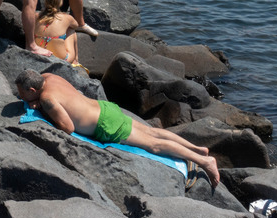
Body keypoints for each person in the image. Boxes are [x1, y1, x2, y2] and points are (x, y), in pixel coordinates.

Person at [15, 69, 220, 186]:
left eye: (23, 94)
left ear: (33, 89)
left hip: (105, 124)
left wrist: (42, 110)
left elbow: (67, 127)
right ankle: (197, 148)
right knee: (153, 131)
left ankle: (203, 161)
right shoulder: (49, 76)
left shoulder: (47, 98)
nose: (21, 98)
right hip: (104, 108)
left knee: (154, 145)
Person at [35, 0, 79, 64]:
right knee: (71, 30)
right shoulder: (66, 18)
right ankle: (76, 61)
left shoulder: (36, 16)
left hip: (39, 56)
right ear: (60, 3)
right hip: (62, 60)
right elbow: (76, 25)